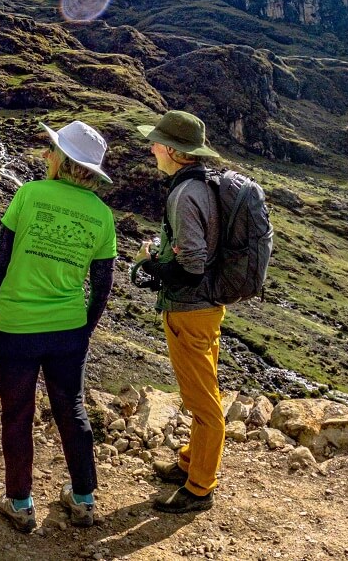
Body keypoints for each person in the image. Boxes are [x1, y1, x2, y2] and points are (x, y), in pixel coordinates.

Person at [0, 121, 117, 533]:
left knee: (17, 413)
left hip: (16, 325)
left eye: (53, 149)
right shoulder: (103, 215)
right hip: (68, 329)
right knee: (71, 408)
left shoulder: (29, 194)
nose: (47, 154)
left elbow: (1, 257)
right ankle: (83, 498)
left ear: (64, 160)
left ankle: (19, 502)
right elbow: (102, 285)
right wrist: (84, 329)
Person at [133, 109, 223, 514]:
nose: (151, 147)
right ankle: (190, 463)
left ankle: (200, 488)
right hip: (205, 308)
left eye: (156, 142)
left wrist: (149, 265)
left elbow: (191, 268)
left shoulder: (185, 195)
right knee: (201, 393)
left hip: (190, 310)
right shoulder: (201, 185)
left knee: (203, 403)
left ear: (172, 150)